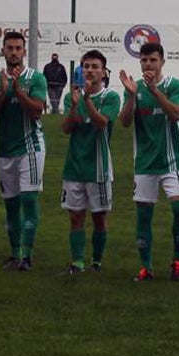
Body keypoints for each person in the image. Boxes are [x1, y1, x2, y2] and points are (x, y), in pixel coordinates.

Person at [119, 41, 179, 281]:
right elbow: (125, 121)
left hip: (173, 161)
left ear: (162, 62)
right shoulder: (134, 88)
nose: (148, 64)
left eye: (153, 60)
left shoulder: (174, 85)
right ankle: (146, 267)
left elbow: (176, 114)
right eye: (144, 60)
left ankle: (177, 261)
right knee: (144, 216)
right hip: (145, 164)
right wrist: (131, 96)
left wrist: (154, 91)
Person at [0, 30, 48, 270]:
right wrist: (3, 92)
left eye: (18, 48)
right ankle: (14, 253)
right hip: (4, 150)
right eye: (9, 48)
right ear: (3, 51)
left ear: (24, 51)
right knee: (10, 204)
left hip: (30, 147)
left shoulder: (36, 78)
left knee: (28, 199)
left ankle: (27, 256)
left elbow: (37, 111)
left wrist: (18, 91)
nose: (13, 52)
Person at [60, 50, 121, 274]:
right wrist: (75, 106)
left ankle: (96, 261)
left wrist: (87, 101)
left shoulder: (110, 97)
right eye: (86, 66)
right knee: (75, 215)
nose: (90, 70)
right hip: (74, 166)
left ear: (103, 72)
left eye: (95, 67)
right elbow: (66, 128)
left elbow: (101, 123)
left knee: (99, 217)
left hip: (98, 168)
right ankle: (77, 262)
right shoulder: (71, 97)